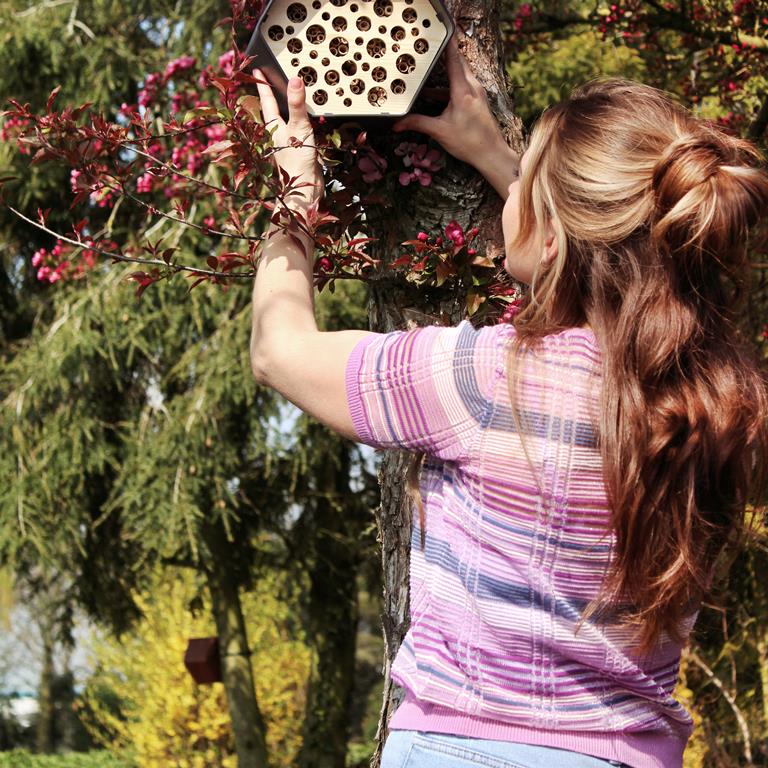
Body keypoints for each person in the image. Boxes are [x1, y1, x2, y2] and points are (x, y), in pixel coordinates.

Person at [250, 34, 768, 768]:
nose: (514, 185)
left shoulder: (484, 381)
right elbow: (605, 255)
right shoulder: (725, 412)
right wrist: (495, 155)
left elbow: (280, 349)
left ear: (552, 235)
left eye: (529, 179)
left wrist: (295, 198)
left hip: (463, 749)